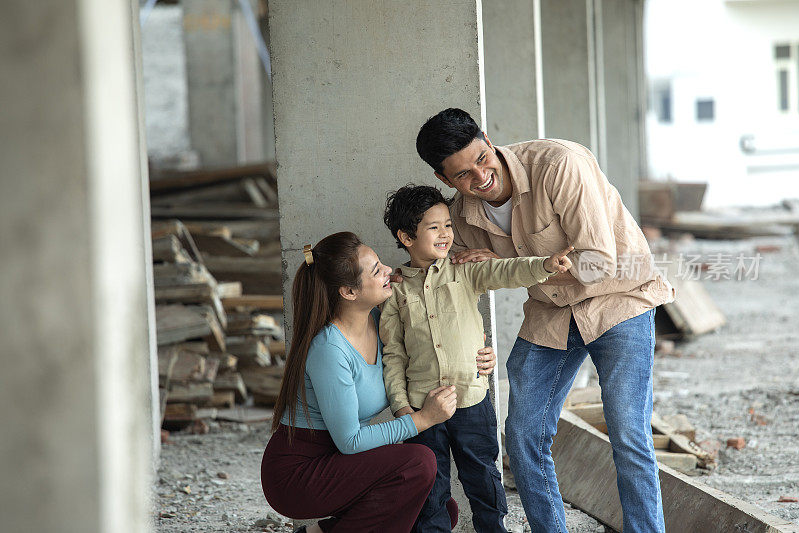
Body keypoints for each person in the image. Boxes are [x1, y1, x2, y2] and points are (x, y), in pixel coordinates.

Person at [415, 108, 675, 533]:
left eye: (482, 158)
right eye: (463, 175)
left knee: (628, 435)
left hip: (618, 299)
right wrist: (468, 345)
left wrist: (509, 262)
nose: (480, 177)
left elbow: (597, 263)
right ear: (446, 180)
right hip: (552, 312)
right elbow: (454, 286)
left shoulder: (559, 165)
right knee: (521, 437)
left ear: (487, 137)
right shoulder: (460, 217)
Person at [261, 231, 495, 533]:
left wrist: (478, 355)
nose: (389, 271)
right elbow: (350, 442)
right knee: (419, 464)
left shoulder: (381, 318)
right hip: (300, 474)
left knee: (437, 509)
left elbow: (436, 345)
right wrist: (424, 419)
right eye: (376, 270)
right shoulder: (329, 349)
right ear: (348, 292)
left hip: (338, 461)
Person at [380, 185, 572, 533]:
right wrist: (401, 406)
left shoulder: (464, 270)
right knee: (429, 489)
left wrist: (544, 265)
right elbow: (393, 353)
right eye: (433, 227)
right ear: (406, 237)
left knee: (483, 476)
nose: (445, 234)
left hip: (472, 398)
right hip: (423, 408)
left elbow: (507, 271)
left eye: (448, 225)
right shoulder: (394, 290)